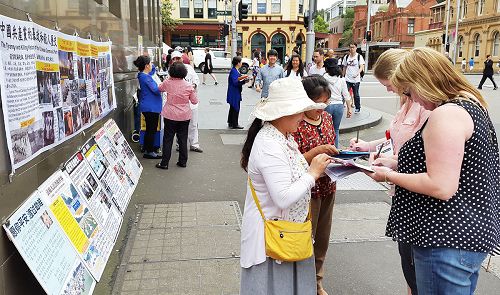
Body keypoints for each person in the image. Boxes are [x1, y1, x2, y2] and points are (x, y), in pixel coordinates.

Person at [366, 47, 499, 294]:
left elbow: (441, 185)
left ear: (423, 81)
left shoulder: (447, 114)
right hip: (462, 236)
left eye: (409, 90)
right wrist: (395, 162)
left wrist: (388, 175)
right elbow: (454, 166)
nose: (412, 98)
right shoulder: (469, 105)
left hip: (444, 238)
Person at [350, 48, 431, 295]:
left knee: (419, 268)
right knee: (409, 265)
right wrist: (369, 147)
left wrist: (390, 165)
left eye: (389, 84)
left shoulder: (425, 106)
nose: (388, 90)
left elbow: (422, 155)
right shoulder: (405, 105)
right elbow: (394, 139)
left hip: (418, 196)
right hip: (402, 192)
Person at [240, 78, 332, 295]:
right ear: (283, 113)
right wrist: (313, 173)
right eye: (299, 111)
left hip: (286, 234)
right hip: (272, 241)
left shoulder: (281, 137)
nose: (303, 116)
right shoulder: (270, 144)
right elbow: (282, 197)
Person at [292, 75, 339, 295]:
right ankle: (301, 282)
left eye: (325, 102)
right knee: (303, 238)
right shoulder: (295, 123)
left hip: (328, 186)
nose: (323, 108)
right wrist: (317, 152)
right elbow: (292, 161)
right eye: (318, 103)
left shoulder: (328, 119)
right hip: (305, 190)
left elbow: (332, 146)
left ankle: (317, 281)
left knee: (322, 238)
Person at [156, 62, 198, 169]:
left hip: (170, 115)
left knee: (168, 139)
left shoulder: (168, 82)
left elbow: (159, 88)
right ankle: (182, 162)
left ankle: (164, 163)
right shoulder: (189, 86)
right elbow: (194, 101)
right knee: (183, 138)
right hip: (184, 116)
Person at [170, 51, 203, 153]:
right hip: (178, 104)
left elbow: (196, 80)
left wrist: (194, 86)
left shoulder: (189, 68)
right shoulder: (171, 70)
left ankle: (194, 144)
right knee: (179, 125)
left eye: (177, 58)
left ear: (181, 58)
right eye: (174, 59)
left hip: (191, 102)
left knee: (193, 124)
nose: (176, 60)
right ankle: (179, 144)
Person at [134, 55, 162, 159]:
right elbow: (156, 89)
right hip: (151, 107)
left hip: (149, 106)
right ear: (146, 66)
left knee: (150, 128)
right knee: (151, 129)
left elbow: (152, 70)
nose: (151, 65)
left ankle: (147, 148)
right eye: (150, 63)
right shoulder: (146, 78)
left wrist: (152, 67)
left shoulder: (143, 75)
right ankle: (150, 151)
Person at [323, 58, 353, 148]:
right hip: (339, 106)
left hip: (328, 105)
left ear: (327, 68)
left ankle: (327, 148)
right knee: (336, 129)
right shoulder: (341, 79)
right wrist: (349, 108)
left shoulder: (324, 78)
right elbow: (346, 95)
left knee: (326, 129)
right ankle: (335, 149)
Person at [342, 42, 365, 113]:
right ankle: (341, 105)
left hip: (355, 80)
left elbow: (362, 66)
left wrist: (357, 73)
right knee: (344, 93)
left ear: (356, 48)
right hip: (347, 78)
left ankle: (357, 107)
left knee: (356, 94)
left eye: (353, 47)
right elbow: (344, 67)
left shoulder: (359, 57)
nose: (351, 49)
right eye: (350, 47)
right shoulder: (346, 57)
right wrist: (342, 76)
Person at [227, 56, 248, 129]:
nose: (241, 63)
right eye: (241, 62)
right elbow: (235, 82)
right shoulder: (234, 71)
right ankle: (235, 124)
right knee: (236, 107)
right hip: (234, 92)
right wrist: (244, 81)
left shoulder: (235, 70)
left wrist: (244, 80)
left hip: (234, 91)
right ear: (238, 63)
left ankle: (230, 122)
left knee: (232, 107)